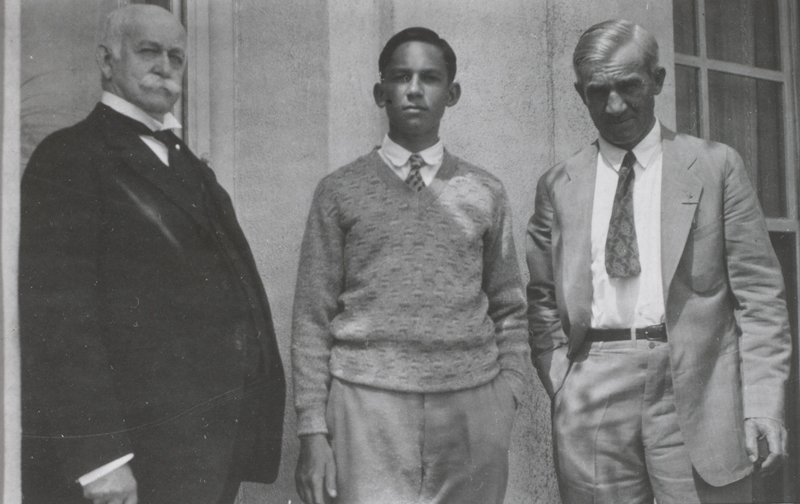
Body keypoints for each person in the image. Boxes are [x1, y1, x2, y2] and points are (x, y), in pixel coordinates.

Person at [19, 5, 285, 504]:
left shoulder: (189, 166)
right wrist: (100, 459)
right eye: (149, 51)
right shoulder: (69, 156)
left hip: (205, 448)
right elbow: (58, 322)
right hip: (133, 459)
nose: (165, 66)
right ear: (107, 60)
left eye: (177, 56)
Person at [526, 19, 791, 504]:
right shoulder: (558, 185)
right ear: (579, 93)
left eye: (629, 86)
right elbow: (541, 298)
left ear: (658, 81)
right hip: (593, 384)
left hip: (696, 382)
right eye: (597, 92)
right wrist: (562, 376)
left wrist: (762, 403)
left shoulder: (715, 166)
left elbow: (760, 298)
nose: (615, 106)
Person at [292, 27, 531, 504]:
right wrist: (313, 430)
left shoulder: (485, 190)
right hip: (366, 404)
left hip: (471, 404)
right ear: (381, 92)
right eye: (401, 77)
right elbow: (311, 318)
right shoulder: (339, 190)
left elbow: (509, 305)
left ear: (452, 93)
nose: (415, 90)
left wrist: (508, 396)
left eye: (430, 78)